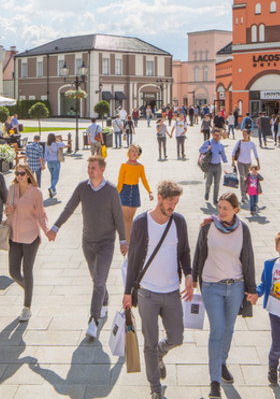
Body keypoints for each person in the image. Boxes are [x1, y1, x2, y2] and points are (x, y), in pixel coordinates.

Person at [123, 181, 193, 399]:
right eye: (170, 201)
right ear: (160, 198)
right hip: (147, 293)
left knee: (177, 337)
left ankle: (160, 354)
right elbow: (134, 258)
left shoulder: (178, 221)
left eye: (176, 202)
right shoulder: (142, 222)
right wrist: (127, 292)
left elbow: (184, 252)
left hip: (172, 291)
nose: (173, 206)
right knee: (149, 342)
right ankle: (155, 388)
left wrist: (189, 275)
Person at [47, 156, 127, 338]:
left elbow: (119, 217)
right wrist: (55, 227)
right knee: (97, 279)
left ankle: (93, 320)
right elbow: (69, 207)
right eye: (89, 168)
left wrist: (123, 240)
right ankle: (104, 301)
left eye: (93, 168)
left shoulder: (111, 191)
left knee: (98, 280)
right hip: (87, 241)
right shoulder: (83, 187)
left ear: (102, 170)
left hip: (106, 242)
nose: (90, 171)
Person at [192, 192, 257, 399]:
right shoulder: (208, 226)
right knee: (217, 330)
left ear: (236, 209)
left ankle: (221, 363)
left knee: (229, 329)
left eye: (226, 208)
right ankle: (214, 381)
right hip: (212, 286)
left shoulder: (243, 230)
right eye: (219, 207)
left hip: (236, 287)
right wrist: (193, 278)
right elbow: (198, 252)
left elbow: (248, 259)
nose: (221, 212)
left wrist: (252, 289)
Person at [5, 163, 49, 322]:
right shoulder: (12, 189)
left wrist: (47, 231)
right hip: (14, 236)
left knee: (27, 270)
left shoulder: (36, 192)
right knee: (13, 272)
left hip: (30, 236)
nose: (19, 176)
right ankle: (28, 290)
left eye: (22, 173)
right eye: (17, 173)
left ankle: (27, 307)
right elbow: (7, 209)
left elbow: (41, 214)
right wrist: (7, 210)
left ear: (29, 175)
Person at [117, 144, 154, 245]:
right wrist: (116, 195)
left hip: (135, 192)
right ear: (128, 153)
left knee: (131, 218)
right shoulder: (123, 165)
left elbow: (144, 180)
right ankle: (127, 242)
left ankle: (130, 240)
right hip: (124, 191)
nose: (133, 153)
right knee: (126, 218)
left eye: (135, 151)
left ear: (138, 154)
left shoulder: (140, 167)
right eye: (132, 151)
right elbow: (120, 181)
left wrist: (150, 191)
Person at [256, 232, 280, 385]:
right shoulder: (271, 265)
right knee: (277, 343)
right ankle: (272, 367)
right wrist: (255, 293)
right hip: (275, 312)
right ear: (277, 248)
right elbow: (264, 284)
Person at [199, 128, 228, 205]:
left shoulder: (220, 145)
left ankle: (215, 198)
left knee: (217, 183)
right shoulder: (208, 143)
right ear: (212, 135)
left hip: (218, 166)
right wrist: (207, 149)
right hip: (210, 166)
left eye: (218, 135)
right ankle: (207, 192)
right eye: (216, 135)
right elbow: (200, 150)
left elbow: (223, 156)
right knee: (209, 182)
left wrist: (226, 164)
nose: (217, 136)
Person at [232, 130, 260, 204]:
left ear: (248, 135)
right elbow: (234, 151)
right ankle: (243, 195)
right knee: (242, 177)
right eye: (243, 134)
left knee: (247, 179)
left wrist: (258, 163)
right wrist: (232, 162)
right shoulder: (240, 142)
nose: (244, 136)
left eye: (245, 134)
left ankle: (246, 192)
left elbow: (255, 153)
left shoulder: (251, 143)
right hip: (240, 162)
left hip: (248, 163)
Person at [43, 133, 66, 198]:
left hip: (49, 162)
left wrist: (43, 163)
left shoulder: (47, 145)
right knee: (56, 177)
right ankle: (51, 187)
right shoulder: (57, 144)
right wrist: (58, 140)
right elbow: (64, 145)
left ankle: (53, 191)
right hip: (56, 161)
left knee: (52, 176)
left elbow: (45, 155)